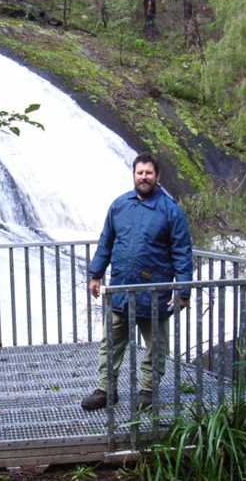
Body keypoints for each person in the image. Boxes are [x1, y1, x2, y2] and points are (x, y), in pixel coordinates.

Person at [81, 153, 194, 411]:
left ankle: (148, 391)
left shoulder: (170, 211)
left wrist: (183, 291)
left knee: (156, 347)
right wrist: (96, 274)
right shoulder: (119, 206)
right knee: (110, 343)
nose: (144, 177)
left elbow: (182, 252)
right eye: (140, 172)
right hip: (121, 288)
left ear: (157, 176)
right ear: (133, 174)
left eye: (149, 173)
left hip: (155, 293)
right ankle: (106, 390)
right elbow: (106, 241)